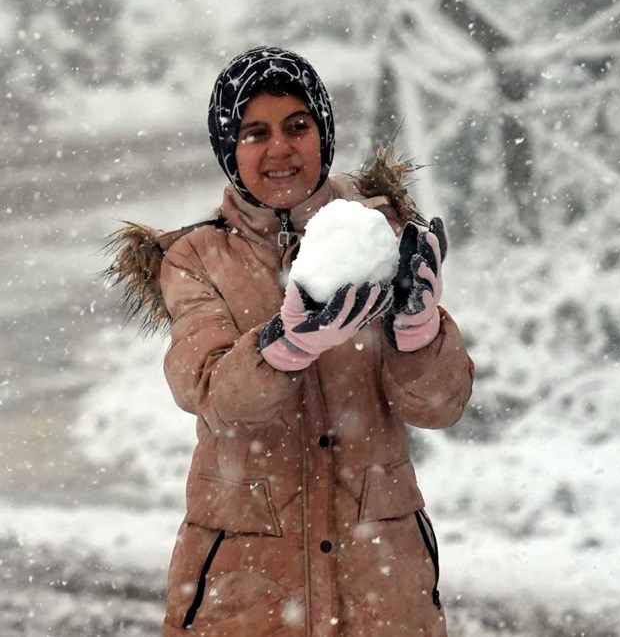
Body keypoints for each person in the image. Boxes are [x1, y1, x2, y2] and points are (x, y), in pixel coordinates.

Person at [105, 46, 474, 636]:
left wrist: (419, 331)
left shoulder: (382, 239)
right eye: (255, 133)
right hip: (244, 586)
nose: (279, 148)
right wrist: (284, 344)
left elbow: (439, 405)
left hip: (383, 579)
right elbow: (211, 392)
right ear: (230, 150)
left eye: (297, 126)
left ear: (322, 134)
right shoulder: (196, 258)